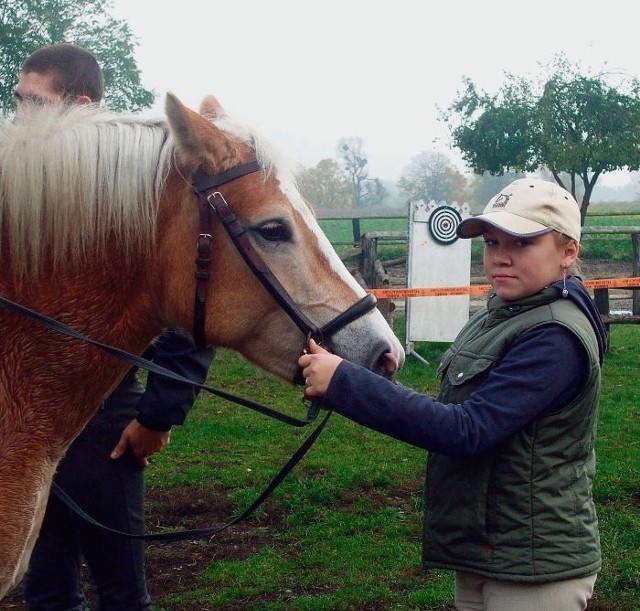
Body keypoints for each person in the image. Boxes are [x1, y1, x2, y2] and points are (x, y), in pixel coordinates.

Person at [299, 177, 607, 611]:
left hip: (535, 568)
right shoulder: (503, 313)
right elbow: (449, 412)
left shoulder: (553, 337)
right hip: (486, 549)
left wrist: (346, 383)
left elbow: (467, 430)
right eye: (492, 243)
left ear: (568, 251)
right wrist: (355, 376)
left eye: (521, 244)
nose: (500, 258)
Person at [15, 43, 215, 611]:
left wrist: (157, 414)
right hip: (25, 422)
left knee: (121, 590)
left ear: (79, 105)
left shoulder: (129, 195)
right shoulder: (21, 194)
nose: (19, 117)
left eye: (35, 102)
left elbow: (189, 308)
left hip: (104, 421)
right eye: (17, 100)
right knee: (43, 586)